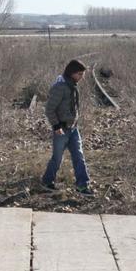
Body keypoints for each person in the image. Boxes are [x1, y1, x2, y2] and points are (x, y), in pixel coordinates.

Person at [42, 59, 94, 195]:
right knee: (57, 158)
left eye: (82, 74)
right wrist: (56, 126)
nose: (81, 77)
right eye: (80, 74)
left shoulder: (73, 85)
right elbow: (49, 109)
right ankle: (47, 182)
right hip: (61, 129)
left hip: (73, 128)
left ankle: (83, 186)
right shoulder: (60, 87)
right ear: (72, 73)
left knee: (79, 156)